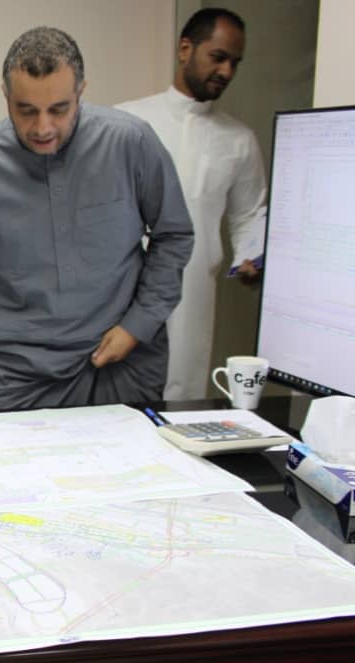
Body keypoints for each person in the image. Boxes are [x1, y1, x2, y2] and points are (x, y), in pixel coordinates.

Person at [0, 26, 194, 412]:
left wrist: (138, 325)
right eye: (26, 110)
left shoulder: (131, 143)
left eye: (59, 109)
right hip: (15, 369)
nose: (43, 127)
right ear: (5, 96)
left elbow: (174, 235)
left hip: (118, 361)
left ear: (81, 92)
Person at [118, 8, 267, 400]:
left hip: (193, 293)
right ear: (185, 49)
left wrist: (251, 257)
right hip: (122, 289)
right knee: (116, 401)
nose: (227, 71)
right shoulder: (127, 121)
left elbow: (249, 214)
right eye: (218, 57)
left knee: (181, 397)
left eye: (235, 62)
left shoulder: (239, 139)